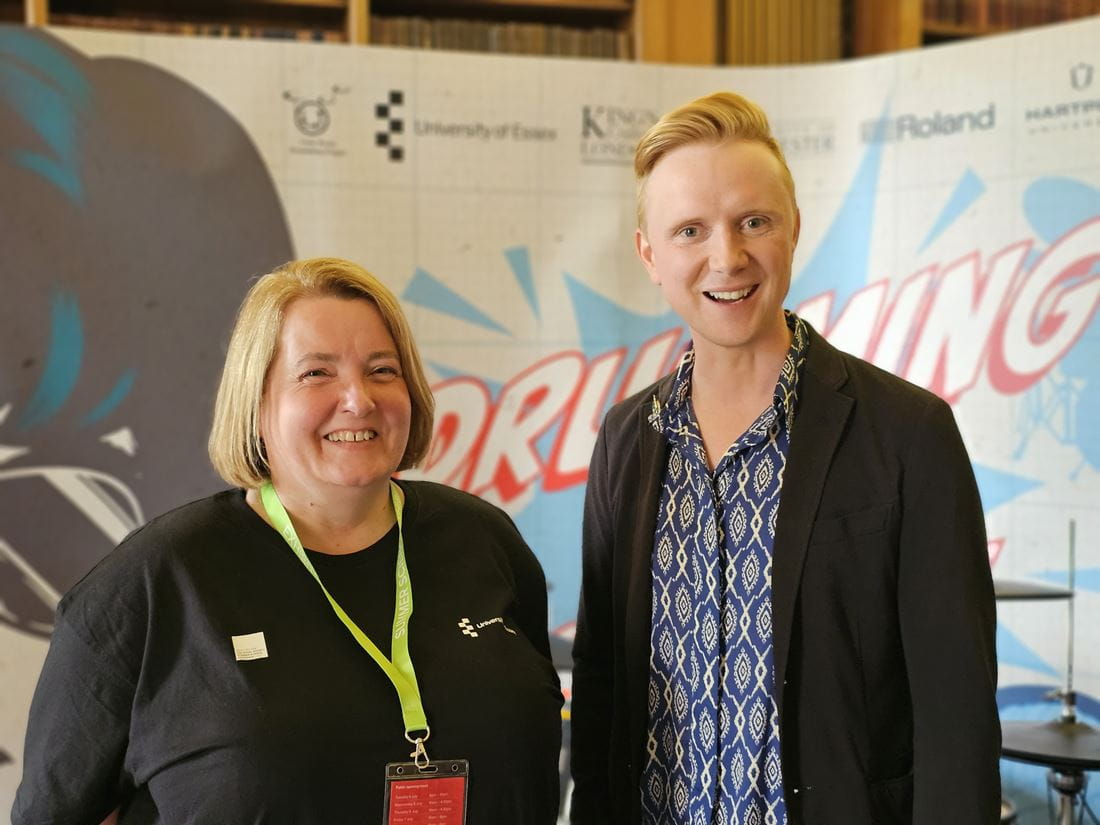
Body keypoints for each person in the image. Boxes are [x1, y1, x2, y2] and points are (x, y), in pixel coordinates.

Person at [569, 92, 1000, 825]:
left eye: (753, 221)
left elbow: (956, 718)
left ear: (794, 228)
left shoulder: (908, 433)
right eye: (690, 230)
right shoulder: (626, 439)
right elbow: (604, 687)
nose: (726, 256)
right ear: (650, 253)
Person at [13, 257, 563, 824]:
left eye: (382, 370)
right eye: (316, 373)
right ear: (256, 405)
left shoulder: (484, 541)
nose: (359, 399)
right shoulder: (156, 581)